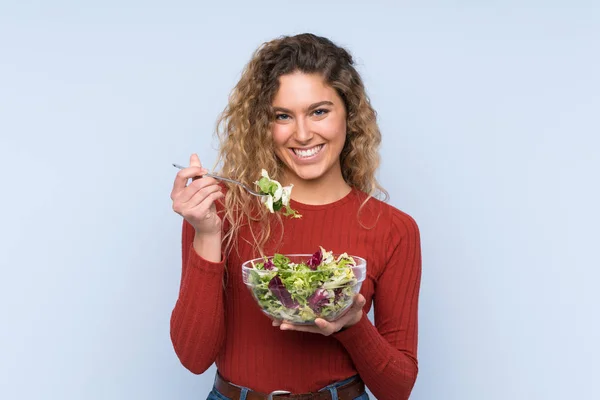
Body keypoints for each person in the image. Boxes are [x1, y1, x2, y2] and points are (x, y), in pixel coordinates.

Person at [170, 33, 422, 400]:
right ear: (263, 124)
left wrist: (351, 325)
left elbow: (398, 388)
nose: (303, 134)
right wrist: (207, 234)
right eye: (282, 116)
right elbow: (194, 357)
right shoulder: (219, 210)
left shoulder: (393, 229)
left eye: (319, 111)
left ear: (349, 115)